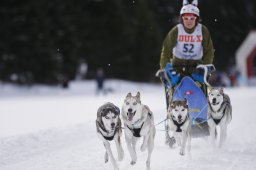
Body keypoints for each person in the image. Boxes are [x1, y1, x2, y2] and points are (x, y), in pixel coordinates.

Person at [158, 0, 215, 146]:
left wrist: (207, 66)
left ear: (197, 19)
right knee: (174, 93)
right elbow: (165, 50)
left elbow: (209, 50)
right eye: (186, 18)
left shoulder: (203, 30)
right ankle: (173, 125)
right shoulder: (176, 30)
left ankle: (202, 122)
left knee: (199, 91)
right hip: (177, 66)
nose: (189, 21)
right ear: (181, 18)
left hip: (197, 67)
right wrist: (165, 68)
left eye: (192, 18)